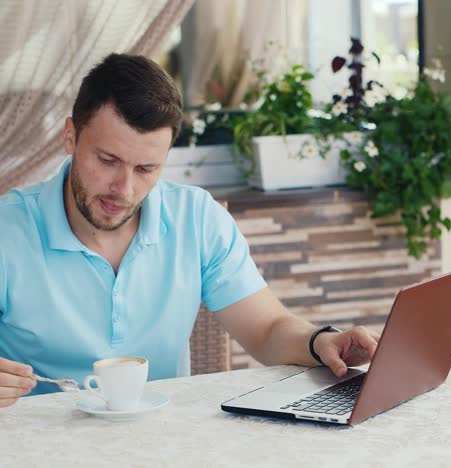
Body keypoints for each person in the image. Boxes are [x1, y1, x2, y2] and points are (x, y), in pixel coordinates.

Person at [0, 53, 380, 408]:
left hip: (160, 441)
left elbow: (266, 329)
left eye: (146, 169)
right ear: (71, 136)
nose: (124, 189)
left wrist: (321, 342)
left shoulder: (196, 217)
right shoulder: (8, 228)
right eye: (107, 160)